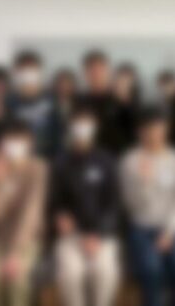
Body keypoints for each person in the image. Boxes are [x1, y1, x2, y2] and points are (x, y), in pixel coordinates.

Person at [121, 106, 175, 306]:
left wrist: (170, 232)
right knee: (152, 269)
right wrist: (144, 183)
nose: (153, 133)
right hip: (142, 228)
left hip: (172, 229)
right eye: (147, 128)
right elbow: (131, 206)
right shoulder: (130, 161)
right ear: (139, 131)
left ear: (166, 129)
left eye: (158, 127)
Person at [52, 107, 121, 306]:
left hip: (101, 235)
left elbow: (114, 204)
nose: (82, 129)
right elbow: (55, 201)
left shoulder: (107, 160)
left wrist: (98, 233)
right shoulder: (60, 162)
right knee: (71, 273)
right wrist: (60, 216)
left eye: (87, 124)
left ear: (95, 128)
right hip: (72, 234)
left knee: (105, 272)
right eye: (78, 124)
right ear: (70, 128)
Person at [0, 120, 47, 306]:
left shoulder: (38, 169)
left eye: (20, 141)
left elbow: (31, 214)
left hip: (28, 241)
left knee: (18, 281)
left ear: (30, 143)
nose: (15, 146)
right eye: (10, 141)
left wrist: (15, 253)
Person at [7, 50, 60, 159]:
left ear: (39, 72)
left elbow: (59, 132)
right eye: (24, 71)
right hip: (19, 160)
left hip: (48, 159)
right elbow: (6, 136)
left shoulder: (51, 98)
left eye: (32, 70)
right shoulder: (10, 101)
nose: (28, 75)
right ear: (17, 73)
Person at [76, 50, 128, 156]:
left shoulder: (120, 98)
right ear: (85, 73)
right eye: (92, 70)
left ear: (107, 70)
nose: (96, 74)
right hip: (92, 159)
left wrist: (125, 103)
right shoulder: (79, 101)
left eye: (100, 69)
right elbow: (78, 136)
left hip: (121, 156)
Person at [112, 63, 142, 150]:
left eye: (126, 81)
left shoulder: (139, 107)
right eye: (120, 80)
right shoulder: (109, 104)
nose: (123, 84)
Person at [51, 68, 79, 154]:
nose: (64, 88)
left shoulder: (80, 105)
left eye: (68, 84)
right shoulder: (50, 105)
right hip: (54, 149)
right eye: (61, 84)